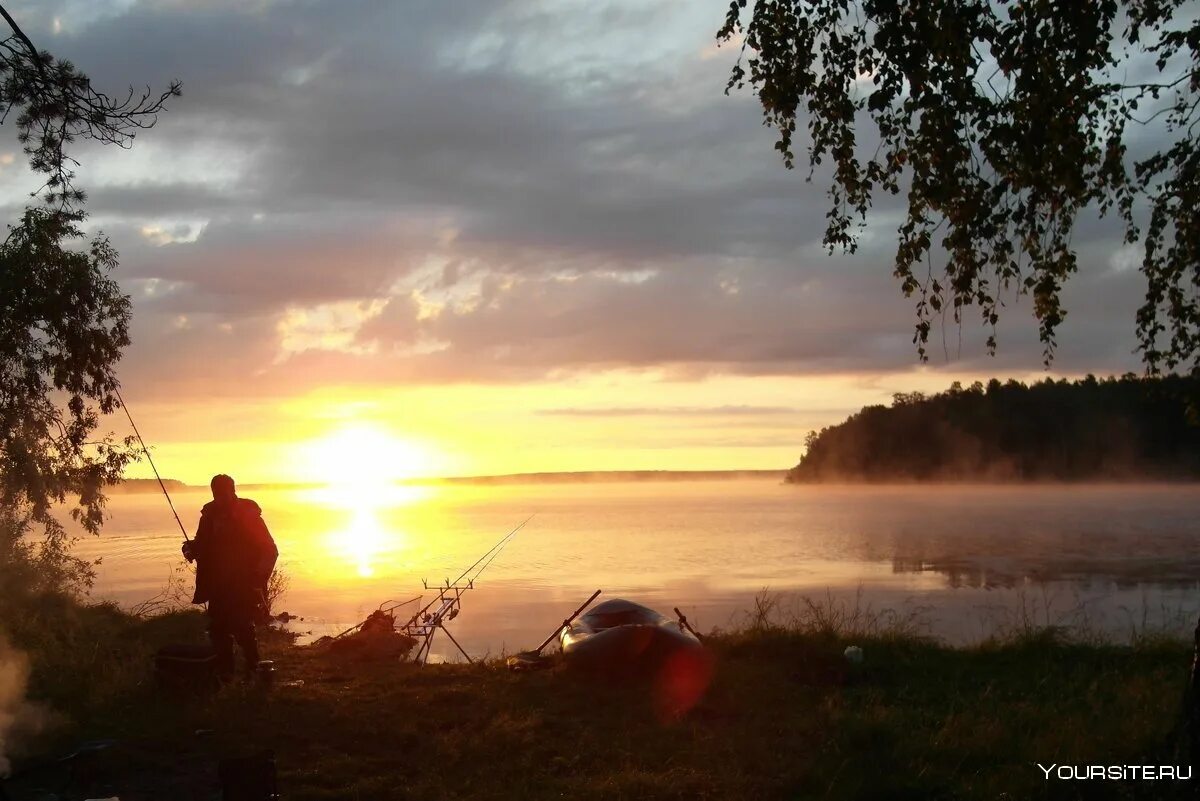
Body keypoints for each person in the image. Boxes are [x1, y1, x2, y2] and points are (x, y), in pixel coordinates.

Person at [182, 474, 278, 680]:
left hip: (244, 582)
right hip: (217, 583)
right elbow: (202, 544)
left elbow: (270, 550)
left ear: (233, 490)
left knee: (242, 625)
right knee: (217, 628)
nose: (219, 496)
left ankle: (253, 667)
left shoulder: (249, 515)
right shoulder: (208, 516)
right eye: (216, 492)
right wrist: (190, 549)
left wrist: (258, 577)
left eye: (224, 492)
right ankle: (225, 670)